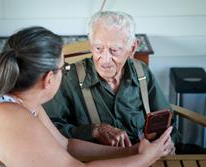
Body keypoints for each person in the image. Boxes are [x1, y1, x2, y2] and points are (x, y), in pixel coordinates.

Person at [0, 26, 173, 167]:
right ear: (49, 79)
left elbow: (66, 145)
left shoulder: (24, 101)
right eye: (64, 67)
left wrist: (133, 150)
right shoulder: (9, 119)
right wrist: (144, 159)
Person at [43, 10, 179, 151]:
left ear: (132, 48)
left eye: (114, 50)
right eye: (98, 48)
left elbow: (166, 120)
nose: (105, 59)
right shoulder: (70, 77)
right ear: (91, 45)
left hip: (144, 155)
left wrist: (169, 143)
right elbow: (51, 128)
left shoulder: (141, 72)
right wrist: (93, 131)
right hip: (96, 160)